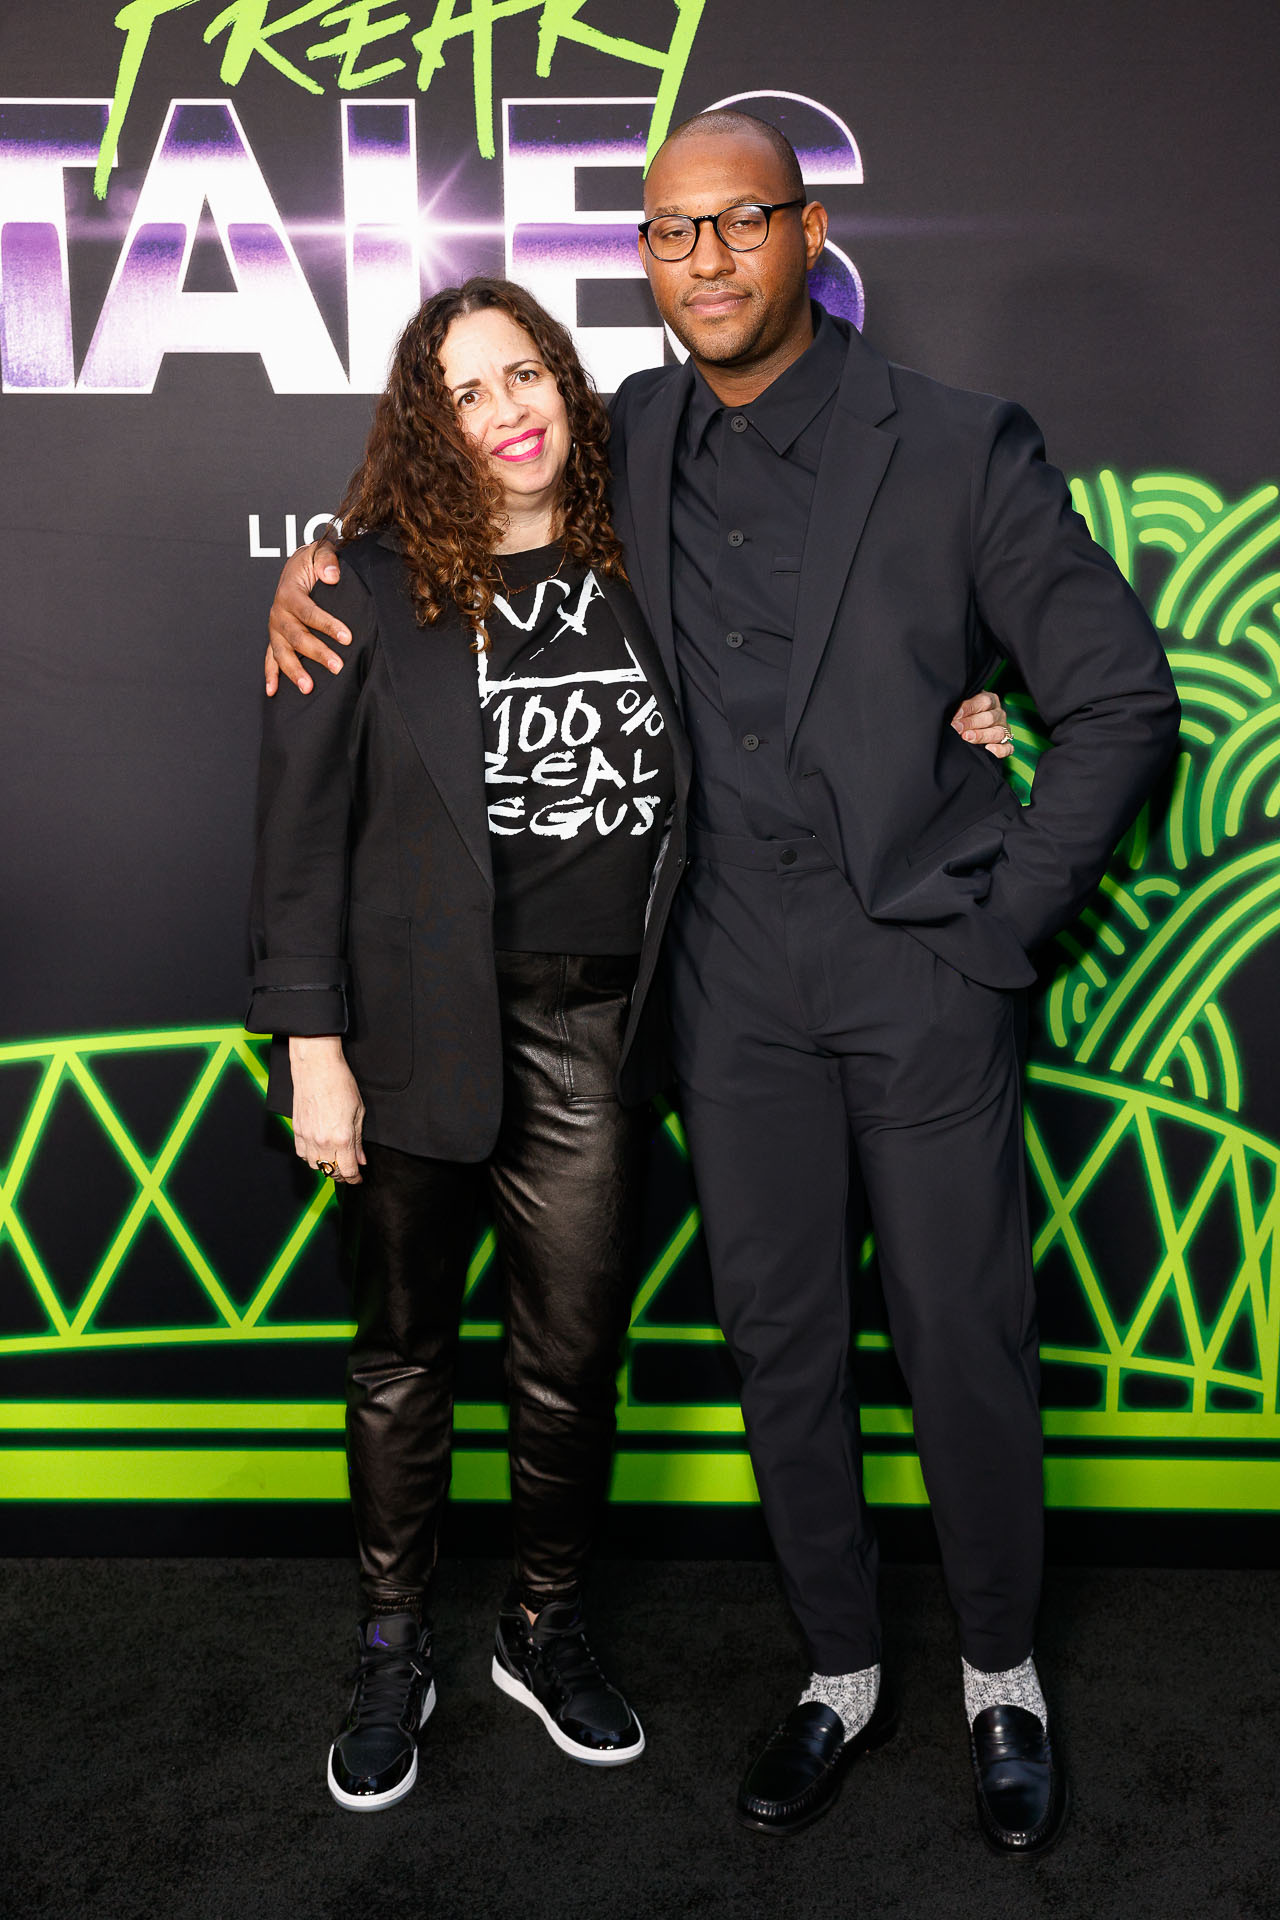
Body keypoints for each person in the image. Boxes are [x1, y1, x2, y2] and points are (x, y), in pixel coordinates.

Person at [261, 117, 1119, 1853]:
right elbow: (448, 505)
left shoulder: (960, 444)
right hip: (722, 982)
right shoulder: (629, 437)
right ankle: (839, 1671)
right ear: (642, 259)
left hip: (920, 971)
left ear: (810, 232)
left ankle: (1003, 1677)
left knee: (961, 1338)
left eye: (740, 223)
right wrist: (317, 568)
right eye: (671, 232)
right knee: (779, 1341)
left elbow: (1117, 699)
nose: (707, 259)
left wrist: (997, 918)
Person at [248, 277, 695, 1810]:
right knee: (401, 1361)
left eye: (526, 376)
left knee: (571, 1365)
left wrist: (959, 709)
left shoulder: (654, 556)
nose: (506, 412)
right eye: (467, 393)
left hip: (592, 1028)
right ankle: (392, 1646)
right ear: (429, 427)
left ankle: (540, 1627)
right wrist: (313, 1050)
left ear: (568, 383)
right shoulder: (361, 586)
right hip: (409, 1028)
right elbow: (299, 843)